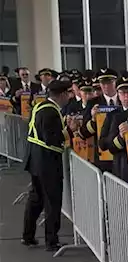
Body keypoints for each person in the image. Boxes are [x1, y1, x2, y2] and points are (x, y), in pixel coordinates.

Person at [22, 78, 73, 252]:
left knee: (36, 199)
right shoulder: (51, 112)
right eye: (68, 93)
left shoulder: (39, 106)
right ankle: (52, 241)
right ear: (62, 95)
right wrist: (69, 131)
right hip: (47, 162)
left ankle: (27, 235)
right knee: (52, 201)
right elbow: (52, 137)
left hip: (35, 160)